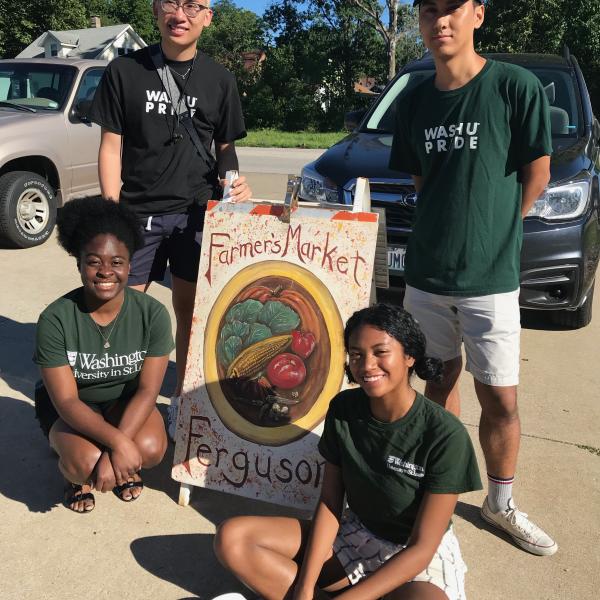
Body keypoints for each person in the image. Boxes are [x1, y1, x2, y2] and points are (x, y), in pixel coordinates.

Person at [389, 0, 556, 555]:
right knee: (436, 385)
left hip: (491, 281)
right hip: (427, 279)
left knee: (501, 400)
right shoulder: (414, 101)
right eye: (429, 10)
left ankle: (499, 503)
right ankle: (437, 493)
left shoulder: (514, 87)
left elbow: (538, 173)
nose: (441, 20)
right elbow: (421, 181)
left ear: (477, 15)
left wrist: (494, 233)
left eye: (452, 8)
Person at [215, 304, 482, 600]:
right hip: (355, 536)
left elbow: (422, 548)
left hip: (414, 558)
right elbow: (330, 502)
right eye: (356, 354)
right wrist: (304, 586)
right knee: (233, 539)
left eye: (380, 352)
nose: (367, 365)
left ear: (409, 356)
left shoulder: (444, 434)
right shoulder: (344, 409)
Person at [90, 0, 252, 440]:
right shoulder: (125, 71)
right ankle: (111, 405)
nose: (179, 14)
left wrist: (235, 184)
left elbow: (225, 149)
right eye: (170, 3)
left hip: (197, 216)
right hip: (136, 213)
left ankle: (182, 402)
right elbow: (110, 146)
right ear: (157, 10)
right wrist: (112, 214)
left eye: (192, 5)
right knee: (118, 312)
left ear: (207, 16)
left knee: (190, 313)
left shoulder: (220, 79)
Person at [34, 197, 175, 513]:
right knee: (85, 462)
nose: (105, 272)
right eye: (94, 261)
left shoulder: (152, 314)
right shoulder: (55, 319)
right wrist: (120, 445)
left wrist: (119, 445)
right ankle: (76, 478)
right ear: (79, 263)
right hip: (71, 407)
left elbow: (149, 390)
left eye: (117, 262)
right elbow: (67, 401)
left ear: (129, 265)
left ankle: (117, 459)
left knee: (151, 448)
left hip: (121, 401)